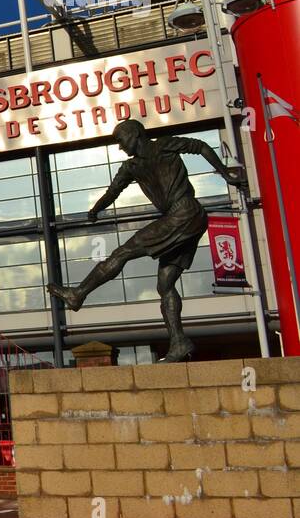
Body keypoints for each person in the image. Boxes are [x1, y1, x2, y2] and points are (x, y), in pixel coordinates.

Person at [47, 120, 248, 363]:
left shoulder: (164, 145)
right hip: (188, 218)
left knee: (122, 253)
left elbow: (201, 146)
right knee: (165, 283)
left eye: (121, 140)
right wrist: (96, 209)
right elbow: (114, 190)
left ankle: (78, 293)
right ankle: (179, 342)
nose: (120, 147)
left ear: (135, 134)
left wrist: (226, 174)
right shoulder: (130, 167)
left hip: (182, 213)